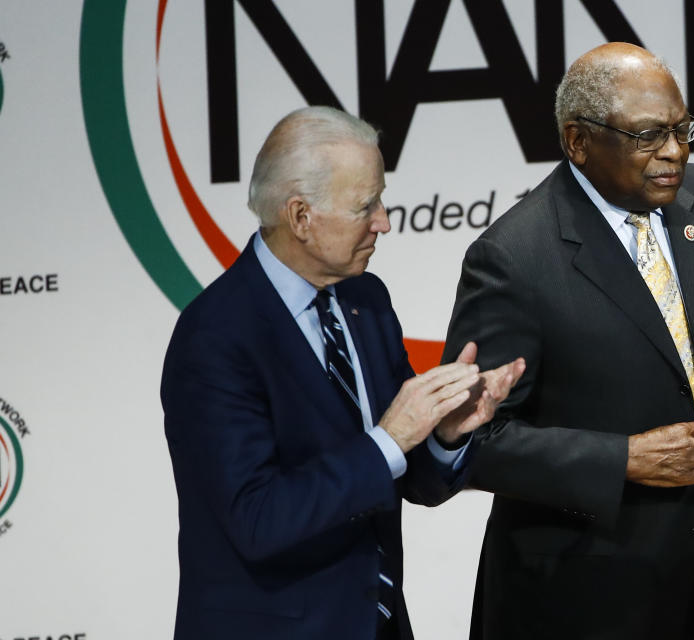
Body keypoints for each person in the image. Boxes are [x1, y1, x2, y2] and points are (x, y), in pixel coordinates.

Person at [442, 42, 694, 639]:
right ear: (578, 141)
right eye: (646, 136)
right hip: (574, 602)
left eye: (681, 128)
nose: (673, 152)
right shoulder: (513, 258)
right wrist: (623, 460)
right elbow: (467, 440)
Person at [160, 106, 524, 639]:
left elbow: (402, 475)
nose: (384, 221)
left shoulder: (365, 299)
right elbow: (257, 520)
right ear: (300, 217)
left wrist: (443, 432)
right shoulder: (215, 336)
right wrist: (392, 437)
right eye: (365, 205)